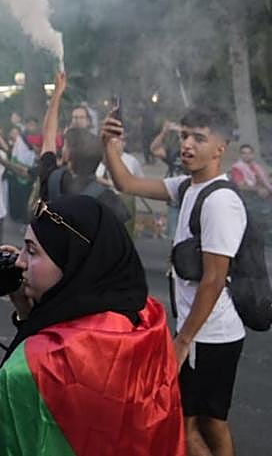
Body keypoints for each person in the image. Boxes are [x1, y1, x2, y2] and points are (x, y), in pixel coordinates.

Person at [0, 195, 185, 455]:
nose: (19, 262)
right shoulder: (147, 321)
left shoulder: (46, 362)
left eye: (32, 251)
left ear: (71, 263)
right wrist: (29, 315)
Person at [103, 107, 246, 456]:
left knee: (184, 423)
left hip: (210, 335)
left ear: (220, 148)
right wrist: (108, 145)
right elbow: (127, 183)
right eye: (184, 135)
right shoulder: (186, 187)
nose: (187, 144)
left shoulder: (220, 201)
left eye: (199, 138)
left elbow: (213, 279)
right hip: (202, 332)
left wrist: (183, 340)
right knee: (209, 422)